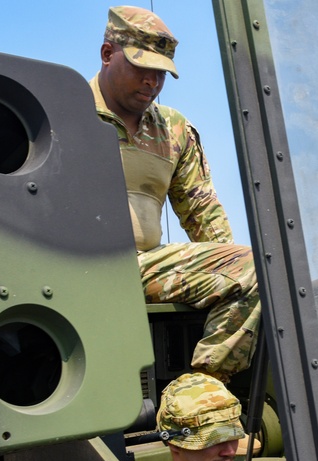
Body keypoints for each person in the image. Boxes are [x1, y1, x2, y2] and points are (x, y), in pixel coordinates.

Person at [91, 6, 260, 382]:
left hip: (144, 266)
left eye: (161, 74)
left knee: (255, 269)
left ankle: (203, 393)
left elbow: (204, 214)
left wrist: (233, 273)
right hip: (79, 265)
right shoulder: (65, 112)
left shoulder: (174, 129)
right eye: (141, 68)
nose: (151, 82)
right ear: (107, 54)